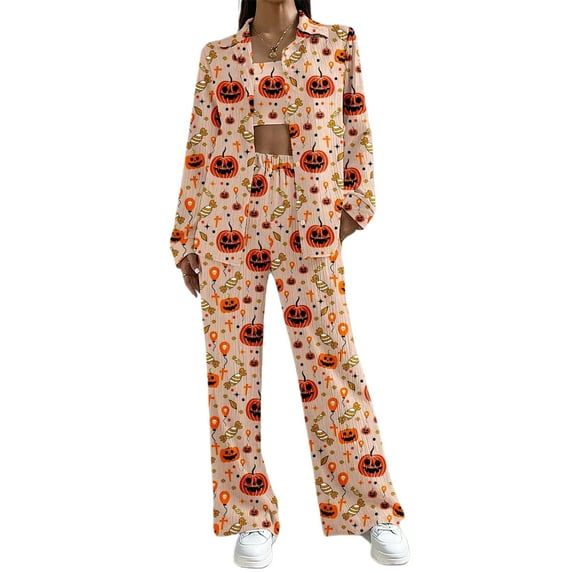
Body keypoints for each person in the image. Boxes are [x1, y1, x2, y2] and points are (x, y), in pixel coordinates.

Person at [170, 0, 410, 567]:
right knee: (230, 372)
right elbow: (200, 145)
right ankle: (250, 516)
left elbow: (356, 129)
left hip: (310, 218)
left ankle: (370, 507)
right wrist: (185, 234)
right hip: (228, 218)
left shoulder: (337, 43)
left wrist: (352, 209)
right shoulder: (217, 56)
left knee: (331, 360)